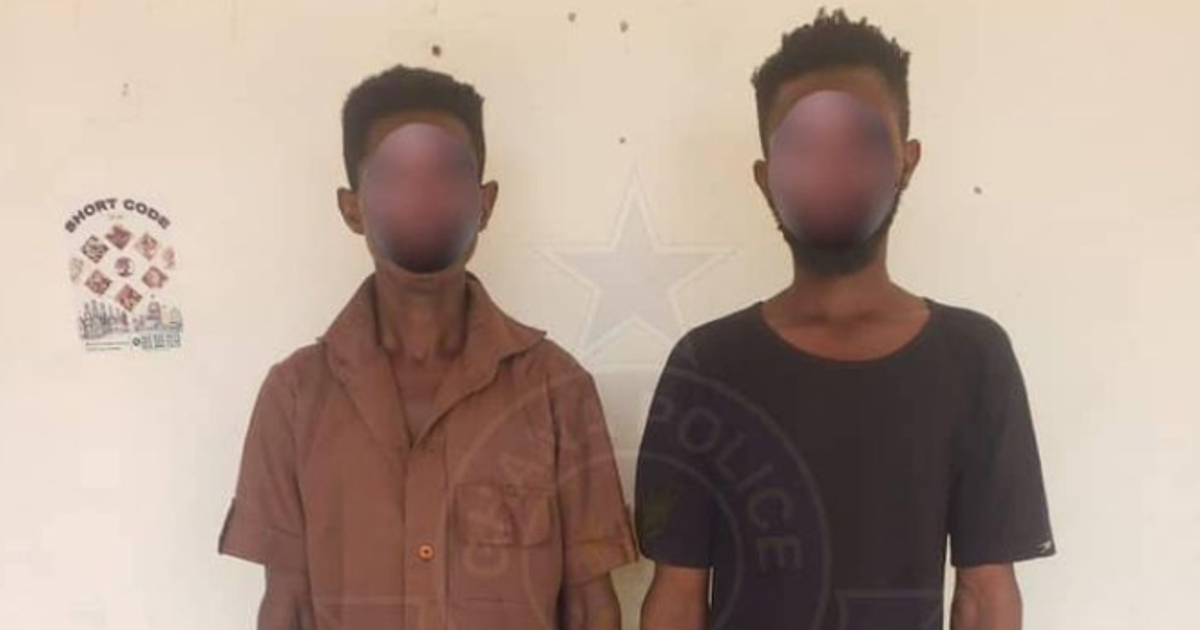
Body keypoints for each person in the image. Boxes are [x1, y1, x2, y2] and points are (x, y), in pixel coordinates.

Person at [636, 9, 1055, 630]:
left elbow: (986, 594)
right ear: (766, 177)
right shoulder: (706, 367)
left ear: (906, 160)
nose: (832, 169)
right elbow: (677, 597)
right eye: (804, 146)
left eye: (862, 142)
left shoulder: (974, 359)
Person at [219, 65, 636, 630]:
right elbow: (286, 604)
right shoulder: (294, 397)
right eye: (394, 176)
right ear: (352, 207)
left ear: (484, 203)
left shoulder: (556, 390)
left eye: (446, 175)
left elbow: (591, 607)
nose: (422, 197)